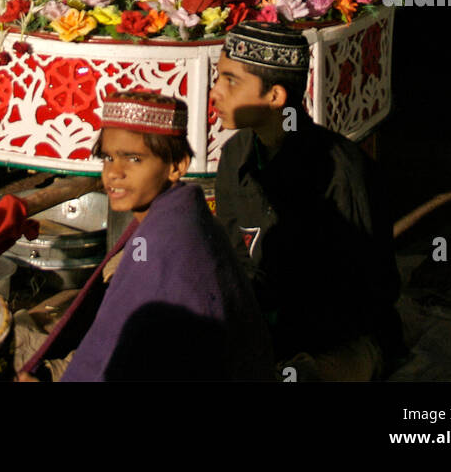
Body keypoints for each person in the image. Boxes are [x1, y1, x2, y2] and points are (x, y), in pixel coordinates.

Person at [19, 90, 274, 383]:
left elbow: (121, 362)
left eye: (134, 159)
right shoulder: (180, 217)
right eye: (108, 157)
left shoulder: (164, 250)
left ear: (176, 166)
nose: (114, 173)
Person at [212, 22, 402, 382]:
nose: (215, 92)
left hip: (341, 338)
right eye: (218, 77)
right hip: (267, 325)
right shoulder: (235, 156)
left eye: (230, 81)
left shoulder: (341, 171)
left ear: (275, 97)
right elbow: (237, 258)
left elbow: (370, 291)